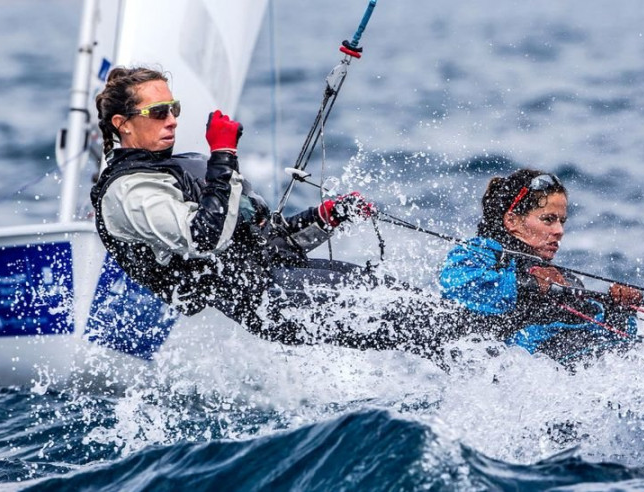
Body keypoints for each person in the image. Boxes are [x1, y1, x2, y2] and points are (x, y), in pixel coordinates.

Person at [91, 66, 465, 360]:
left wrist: (326, 217)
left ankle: (492, 364)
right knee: (419, 322)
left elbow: (267, 243)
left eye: (173, 109)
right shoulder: (129, 192)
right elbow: (204, 238)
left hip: (282, 278)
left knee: (423, 309)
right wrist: (223, 155)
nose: (171, 119)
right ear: (121, 124)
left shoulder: (173, 169)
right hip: (270, 303)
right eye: (158, 112)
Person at [439, 168, 641, 360]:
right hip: (504, 366)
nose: (559, 230)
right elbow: (456, 283)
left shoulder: (563, 279)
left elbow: (604, 341)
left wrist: (620, 312)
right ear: (512, 221)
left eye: (562, 221)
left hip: (552, 367)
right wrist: (531, 284)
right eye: (548, 219)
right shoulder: (484, 251)